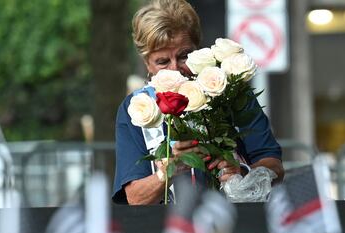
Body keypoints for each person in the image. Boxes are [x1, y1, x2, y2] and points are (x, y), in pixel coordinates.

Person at [113, 0, 285, 205]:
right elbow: (135, 198)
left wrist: (243, 173)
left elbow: (274, 167)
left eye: (184, 56)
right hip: (169, 231)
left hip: (232, 223)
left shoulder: (230, 91)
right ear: (147, 63)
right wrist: (167, 172)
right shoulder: (137, 108)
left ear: (199, 49)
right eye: (162, 62)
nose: (175, 69)